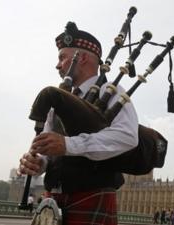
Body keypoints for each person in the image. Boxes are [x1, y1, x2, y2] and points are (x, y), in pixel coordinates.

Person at [17, 21, 139, 225]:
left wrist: (69, 145)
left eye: (62, 58)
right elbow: (48, 149)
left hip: (90, 196)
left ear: (81, 58)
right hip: (50, 200)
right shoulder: (60, 97)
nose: (57, 64)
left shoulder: (110, 91)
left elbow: (128, 136)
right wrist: (39, 163)